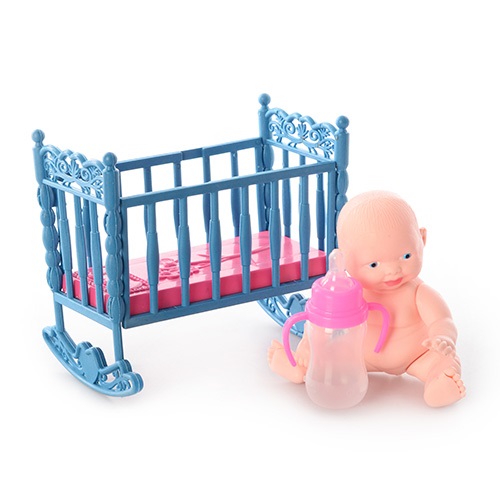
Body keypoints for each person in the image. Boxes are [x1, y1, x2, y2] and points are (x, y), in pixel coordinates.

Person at [268, 191, 465, 407]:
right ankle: (296, 366)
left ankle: (440, 382)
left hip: (415, 356)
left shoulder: (419, 293)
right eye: (373, 264)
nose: (392, 270)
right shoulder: (350, 292)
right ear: (345, 260)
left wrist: (443, 338)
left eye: (406, 256)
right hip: (358, 358)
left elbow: (442, 320)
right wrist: (308, 345)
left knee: (442, 360)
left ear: (422, 239)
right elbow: (321, 321)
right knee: (324, 353)